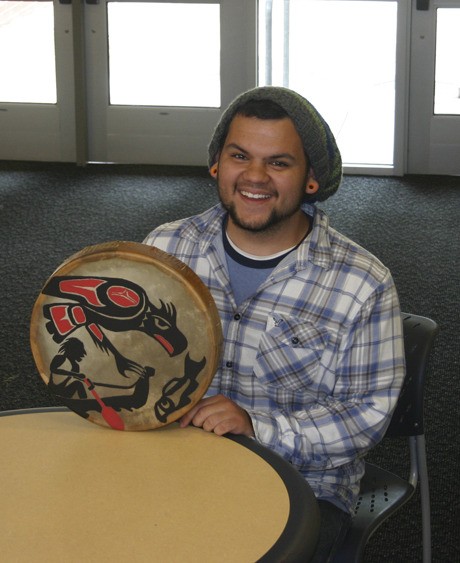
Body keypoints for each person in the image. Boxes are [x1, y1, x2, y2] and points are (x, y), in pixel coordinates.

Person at [143, 86, 405, 561]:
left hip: (302, 486)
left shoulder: (361, 283)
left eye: (279, 163)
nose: (255, 177)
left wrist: (257, 427)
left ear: (311, 179)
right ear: (216, 165)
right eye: (240, 155)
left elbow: (364, 415)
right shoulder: (166, 249)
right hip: (171, 459)